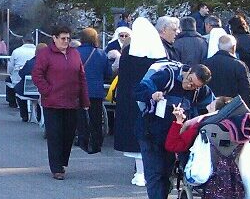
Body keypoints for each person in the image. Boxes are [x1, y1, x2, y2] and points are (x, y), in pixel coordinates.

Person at [136, 62, 214, 199]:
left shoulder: (200, 91)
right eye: (190, 80)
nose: (190, 86)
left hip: (172, 138)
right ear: (188, 71)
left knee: (166, 174)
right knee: (155, 174)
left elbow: (213, 103)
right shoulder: (167, 76)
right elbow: (138, 90)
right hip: (150, 134)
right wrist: (152, 94)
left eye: (195, 86)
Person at [33, 24, 89, 179]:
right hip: (52, 103)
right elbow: (37, 74)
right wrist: (47, 90)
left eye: (68, 38)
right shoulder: (45, 54)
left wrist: (84, 100)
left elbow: (81, 76)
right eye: (63, 38)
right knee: (55, 135)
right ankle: (56, 167)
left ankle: (62, 161)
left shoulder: (74, 54)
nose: (66, 41)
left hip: (71, 101)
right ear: (54, 38)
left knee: (68, 135)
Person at [116, 17, 163, 187]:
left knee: (137, 137)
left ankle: (140, 172)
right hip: (154, 97)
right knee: (153, 136)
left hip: (132, 99)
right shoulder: (159, 53)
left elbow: (124, 80)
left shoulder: (128, 53)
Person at [77, 28, 108, 154]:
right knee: (96, 118)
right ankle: (96, 144)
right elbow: (108, 73)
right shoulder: (101, 53)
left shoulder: (75, 53)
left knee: (81, 118)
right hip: (96, 90)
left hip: (80, 90)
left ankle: (83, 141)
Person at [203, 34, 250, 109]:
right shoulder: (239, 65)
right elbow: (246, 92)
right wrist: (249, 109)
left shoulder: (206, 63)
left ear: (218, 46)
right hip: (232, 109)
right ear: (234, 47)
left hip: (210, 107)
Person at [7, 38, 36, 112]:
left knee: (9, 80)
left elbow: (11, 67)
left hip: (19, 80)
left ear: (23, 41)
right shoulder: (37, 53)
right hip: (36, 85)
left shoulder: (16, 51)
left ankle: (12, 103)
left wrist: (11, 73)